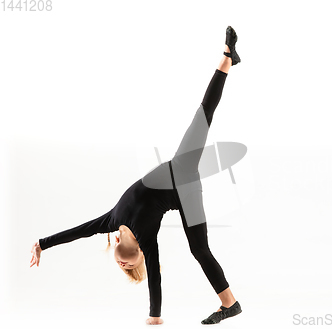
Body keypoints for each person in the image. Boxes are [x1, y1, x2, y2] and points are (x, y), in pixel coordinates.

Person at [29, 26, 243, 326]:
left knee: (203, 113)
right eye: (130, 266)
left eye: (120, 265)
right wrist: (155, 318)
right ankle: (230, 304)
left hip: (178, 166)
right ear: (140, 255)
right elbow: (154, 277)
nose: (122, 263)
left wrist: (42, 244)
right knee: (200, 249)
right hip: (187, 186)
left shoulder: (111, 221)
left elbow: (77, 231)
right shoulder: (147, 239)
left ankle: (228, 58)